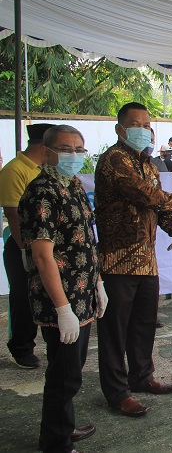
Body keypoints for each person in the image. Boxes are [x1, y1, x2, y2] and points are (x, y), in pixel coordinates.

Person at [94, 102, 172, 417]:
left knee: (143, 324)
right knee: (115, 331)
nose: (143, 130)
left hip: (146, 260)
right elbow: (145, 195)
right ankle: (117, 393)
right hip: (117, 262)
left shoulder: (149, 164)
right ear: (120, 129)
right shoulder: (114, 160)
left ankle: (142, 377)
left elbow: (158, 208)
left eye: (147, 125)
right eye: (136, 124)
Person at [19, 125, 106, 452]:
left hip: (82, 294)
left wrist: (98, 283)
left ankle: (63, 426)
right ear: (47, 151)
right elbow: (42, 256)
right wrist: (62, 309)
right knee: (63, 374)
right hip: (61, 300)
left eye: (79, 149)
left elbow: (86, 240)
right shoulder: (42, 192)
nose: (74, 156)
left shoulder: (73, 185)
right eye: (66, 149)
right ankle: (55, 441)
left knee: (71, 369)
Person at [0, 123, 55, 369]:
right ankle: (22, 347)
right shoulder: (16, 170)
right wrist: (25, 249)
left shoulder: (47, 170)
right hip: (23, 245)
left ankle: (52, 341)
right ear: (45, 146)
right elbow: (12, 215)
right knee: (24, 296)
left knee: (50, 294)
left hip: (48, 245)